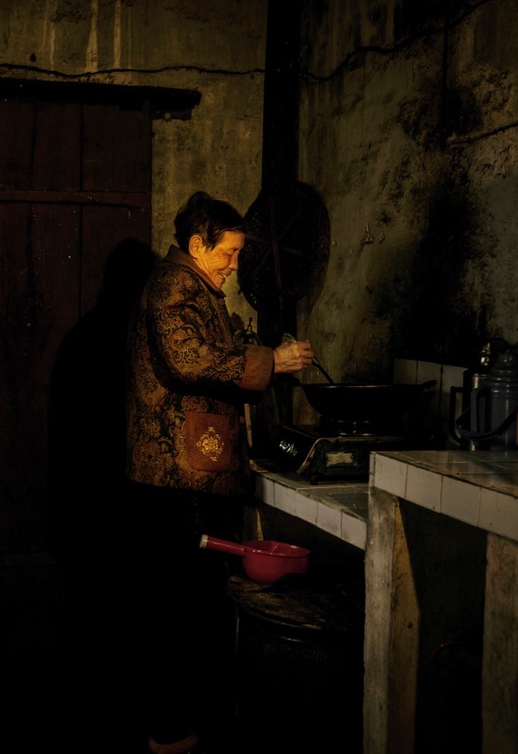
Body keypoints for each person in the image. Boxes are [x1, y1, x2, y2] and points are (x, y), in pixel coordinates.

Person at [124, 191, 313, 754]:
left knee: (189, 601)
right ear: (197, 244)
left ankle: (183, 724)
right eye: (227, 253)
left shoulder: (194, 288)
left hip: (192, 471)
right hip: (178, 477)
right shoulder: (173, 286)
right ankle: (170, 731)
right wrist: (271, 361)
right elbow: (189, 360)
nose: (233, 265)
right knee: (179, 605)